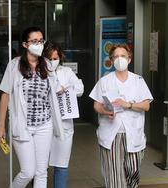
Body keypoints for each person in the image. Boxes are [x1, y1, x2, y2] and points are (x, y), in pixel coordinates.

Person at [0, 27, 64, 188]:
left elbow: (53, 90)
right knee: (28, 172)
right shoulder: (15, 65)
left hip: (44, 125)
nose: (39, 44)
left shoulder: (47, 64)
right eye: (34, 41)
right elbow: (5, 94)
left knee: (41, 172)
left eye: (41, 41)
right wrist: (0, 125)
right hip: (23, 125)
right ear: (25, 44)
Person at [89, 44, 153, 188]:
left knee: (133, 171)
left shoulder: (138, 81)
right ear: (111, 61)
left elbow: (146, 105)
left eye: (123, 56)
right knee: (115, 179)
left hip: (134, 134)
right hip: (111, 135)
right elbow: (96, 105)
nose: (119, 59)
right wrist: (105, 111)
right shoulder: (104, 81)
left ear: (129, 59)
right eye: (116, 57)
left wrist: (128, 105)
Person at [43, 41, 84, 188]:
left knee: (61, 163)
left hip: (64, 125)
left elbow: (80, 89)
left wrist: (65, 88)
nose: (52, 62)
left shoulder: (66, 72)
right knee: (40, 165)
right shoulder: (38, 72)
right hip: (43, 124)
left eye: (55, 58)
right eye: (49, 58)